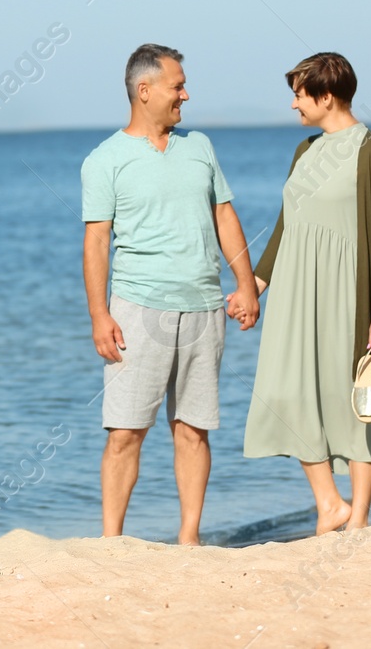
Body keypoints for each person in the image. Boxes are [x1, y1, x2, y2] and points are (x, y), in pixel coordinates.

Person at [81, 43, 259, 545]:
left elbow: (224, 216)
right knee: (125, 431)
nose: (186, 94)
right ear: (145, 91)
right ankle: (112, 542)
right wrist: (99, 314)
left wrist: (245, 284)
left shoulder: (199, 147)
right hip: (137, 310)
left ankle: (189, 538)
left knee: (194, 428)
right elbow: (96, 240)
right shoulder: (105, 160)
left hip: (205, 307)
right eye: (177, 85)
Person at [239, 52, 371, 534]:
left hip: (351, 291)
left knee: (352, 395)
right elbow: (287, 224)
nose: (294, 105)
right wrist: (257, 283)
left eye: (299, 95)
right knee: (284, 389)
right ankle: (329, 504)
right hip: (296, 289)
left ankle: (359, 517)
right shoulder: (305, 151)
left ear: (326, 96)